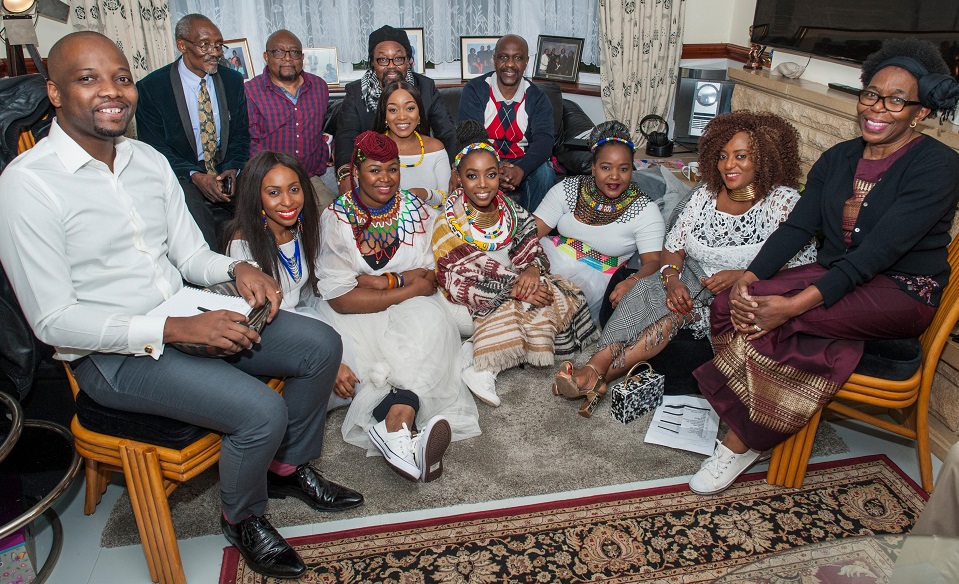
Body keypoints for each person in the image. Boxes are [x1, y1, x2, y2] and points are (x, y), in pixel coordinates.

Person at [0, 32, 363, 580]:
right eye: (88, 79)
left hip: (183, 310)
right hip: (109, 355)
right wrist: (173, 329)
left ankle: (286, 467)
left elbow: (191, 255)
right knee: (259, 410)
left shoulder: (146, 160)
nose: (112, 91)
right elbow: (53, 321)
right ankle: (242, 517)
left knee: (320, 344)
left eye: (121, 77)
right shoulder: (27, 186)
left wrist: (237, 269)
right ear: (54, 91)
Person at [691, 39, 959, 496]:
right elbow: (797, 228)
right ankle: (759, 411)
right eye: (871, 94)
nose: (877, 107)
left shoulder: (940, 166)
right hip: (839, 274)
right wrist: (750, 276)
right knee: (727, 302)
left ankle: (742, 442)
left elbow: (877, 254)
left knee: (773, 321)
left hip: (900, 289)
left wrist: (793, 306)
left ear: (920, 113)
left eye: (897, 100)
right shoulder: (838, 158)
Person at [554, 112, 817, 415]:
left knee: (670, 320)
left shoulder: (782, 202)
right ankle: (593, 368)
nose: (728, 165)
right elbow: (674, 247)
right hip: (692, 274)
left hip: (741, 293)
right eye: (722, 155)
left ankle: (601, 377)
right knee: (644, 292)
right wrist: (672, 279)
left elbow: (802, 263)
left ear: (764, 157)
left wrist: (744, 275)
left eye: (741, 156)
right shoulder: (705, 194)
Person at [314, 131, 481, 482]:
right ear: (355, 172)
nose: (386, 179)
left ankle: (397, 429)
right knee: (367, 367)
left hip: (408, 304)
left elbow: (427, 273)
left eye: (393, 169)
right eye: (375, 170)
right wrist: (403, 285)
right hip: (353, 315)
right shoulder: (336, 218)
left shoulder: (414, 208)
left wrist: (378, 281)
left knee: (429, 331)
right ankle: (403, 433)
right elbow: (342, 298)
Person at [433, 121, 596, 407]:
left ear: (500, 176)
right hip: (462, 302)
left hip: (511, 283)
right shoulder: (447, 220)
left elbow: (532, 245)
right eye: (472, 176)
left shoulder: (511, 209)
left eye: (490, 175)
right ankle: (485, 368)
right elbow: (455, 279)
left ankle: (474, 352)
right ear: (458, 178)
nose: (482, 184)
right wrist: (514, 289)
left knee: (558, 291)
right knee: (524, 304)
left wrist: (532, 270)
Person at [223, 151, 359, 410]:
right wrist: (331, 362)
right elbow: (262, 318)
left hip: (302, 317)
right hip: (269, 334)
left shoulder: (300, 228)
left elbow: (306, 291)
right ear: (256, 196)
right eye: (274, 193)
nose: (287, 201)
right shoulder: (243, 243)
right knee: (340, 366)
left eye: (294, 189)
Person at [136, 14, 250, 249]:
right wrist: (195, 176)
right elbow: (154, 148)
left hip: (224, 167)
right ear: (182, 45)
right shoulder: (151, 88)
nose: (216, 52)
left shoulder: (232, 81)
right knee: (198, 225)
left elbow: (240, 134)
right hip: (182, 172)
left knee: (258, 208)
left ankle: (254, 268)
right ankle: (213, 276)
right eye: (205, 44)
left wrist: (232, 168)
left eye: (219, 45)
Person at [533, 121, 665, 324]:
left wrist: (633, 281)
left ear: (632, 170)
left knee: (546, 313)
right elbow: (532, 233)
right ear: (593, 168)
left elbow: (654, 262)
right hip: (552, 257)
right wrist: (530, 265)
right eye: (606, 167)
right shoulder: (569, 189)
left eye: (623, 169)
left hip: (598, 280)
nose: (614, 176)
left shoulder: (645, 210)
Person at [333, 25, 456, 195]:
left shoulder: (425, 88)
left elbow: (447, 132)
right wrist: (345, 174)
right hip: (375, 172)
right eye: (383, 60)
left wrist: (458, 165)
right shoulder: (356, 92)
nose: (391, 66)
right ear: (372, 63)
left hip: (420, 165)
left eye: (398, 59)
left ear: (409, 61)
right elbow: (346, 136)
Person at [458, 34, 556, 212]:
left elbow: (545, 142)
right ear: (494, 59)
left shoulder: (538, 98)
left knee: (546, 172)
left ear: (526, 62)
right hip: (484, 159)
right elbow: (470, 135)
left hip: (522, 161)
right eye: (503, 57)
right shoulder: (475, 90)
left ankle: (530, 230)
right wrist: (494, 168)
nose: (510, 64)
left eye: (517, 58)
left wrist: (520, 170)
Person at [245, 30, 338, 210]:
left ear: (302, 57)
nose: (288, 58)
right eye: (279, 52)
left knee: (332, 217)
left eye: (294, 52)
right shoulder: (251, 91)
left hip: (309, 176)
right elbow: (252, 144)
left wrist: (330, 149)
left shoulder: (319, 87)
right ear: (266, 56)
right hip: (269, 179)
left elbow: (319, 130)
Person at [373, 80, 451, 206]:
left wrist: (423, 194)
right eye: (393, 110)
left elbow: (446, 198)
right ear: (385, 116)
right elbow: (364, 196)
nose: (402, 116)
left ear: (419, 113)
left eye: (409, 108)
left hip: (433, 223)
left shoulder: (436, 148)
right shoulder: (372, 149)